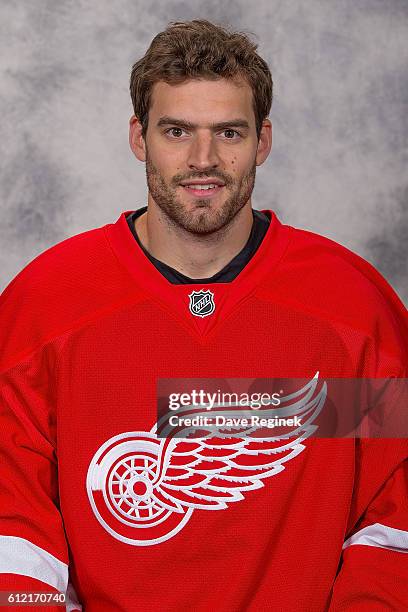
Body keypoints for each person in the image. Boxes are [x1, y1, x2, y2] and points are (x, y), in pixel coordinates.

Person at [0, 18, 407, 612]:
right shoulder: (46, 308)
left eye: (230, 133)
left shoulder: (349, 310)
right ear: (139, 138)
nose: (203, 159)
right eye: (176, 131)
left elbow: (393, 502)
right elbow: (15, 520)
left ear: (263, 140)